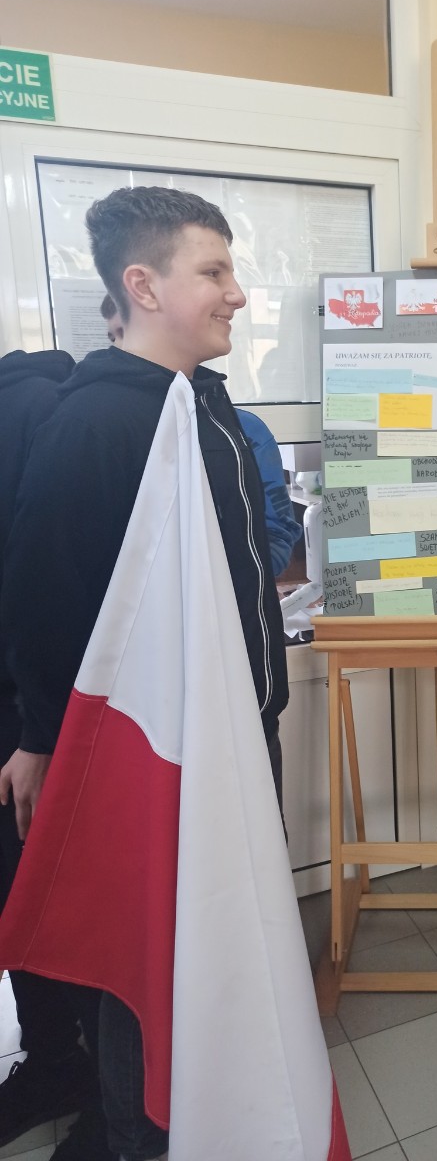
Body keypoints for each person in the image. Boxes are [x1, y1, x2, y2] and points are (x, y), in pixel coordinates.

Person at [1, 186, 290, 1161]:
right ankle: (140, 1139)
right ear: (143, 285)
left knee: (219, 951)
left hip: (239, 738)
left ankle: (214, 1109)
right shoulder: (96, 425)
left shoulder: (202, 402)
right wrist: (42, 737)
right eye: (213, 271)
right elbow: (43, 600)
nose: (236, 293)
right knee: (152, 966)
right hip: (159, 760)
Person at [0, 347, 112, 1161]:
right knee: (15, 907)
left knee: (66, 907)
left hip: (37, 717)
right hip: (24, 715)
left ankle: (115, 1097)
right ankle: (53, 1064)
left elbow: (51, 586)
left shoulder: (40, 410)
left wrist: (37, 732)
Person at [102, 293, 302, 577]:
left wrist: (229, 583)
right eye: (115, 337)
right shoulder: (101, 429)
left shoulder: (246, 431)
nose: (123, 349)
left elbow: (278, 531)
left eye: (132, 334)